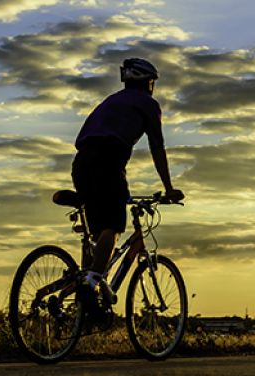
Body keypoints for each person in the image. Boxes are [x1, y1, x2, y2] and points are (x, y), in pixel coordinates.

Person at [71, 57, 183, 292]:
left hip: (81, 163)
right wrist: (169, 188)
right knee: (113, 226)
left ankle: (83, 296)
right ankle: (90, 284)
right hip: (108, 162)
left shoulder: (111, 101)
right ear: (147, 82)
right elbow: (157, 147)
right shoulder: (148, 104)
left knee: (99, 231)